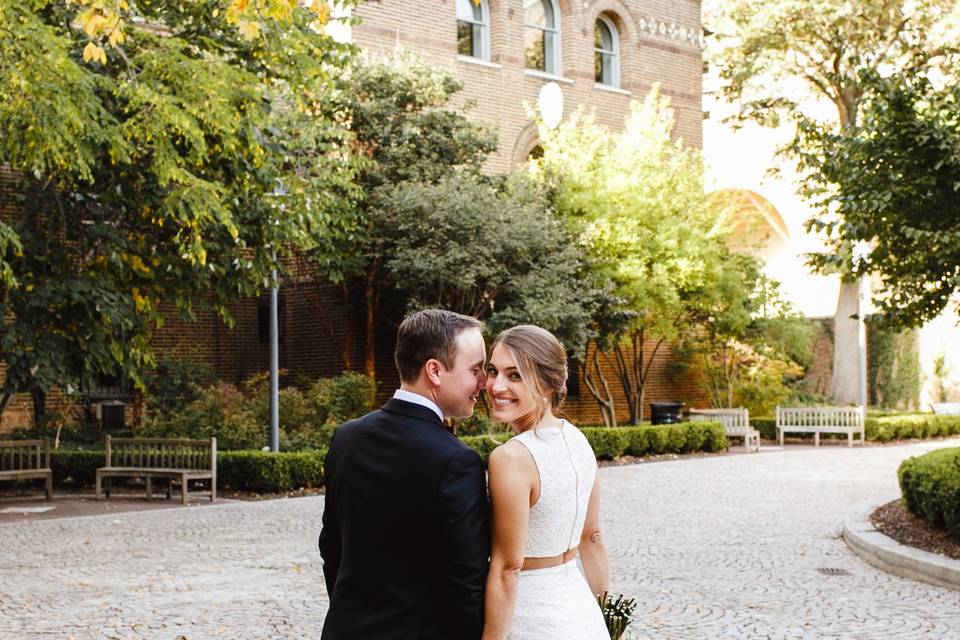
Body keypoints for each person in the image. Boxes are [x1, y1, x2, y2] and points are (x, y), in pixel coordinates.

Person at [318, 309, 491, 640]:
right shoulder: (457, 461)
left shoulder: (346, 438)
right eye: (476, 369)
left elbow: (331, 547)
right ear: (435, 371)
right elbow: (468, 582)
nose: (483, 382)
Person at [481, 325, 610, 640]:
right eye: (493, 371)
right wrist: (607, 616)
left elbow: (508, 567)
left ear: (549, 384)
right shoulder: (578, 439)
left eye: (515, 375)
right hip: (583, 616)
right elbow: (591, 537)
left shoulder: (510, 458)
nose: (497, 386)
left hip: (531, 618)